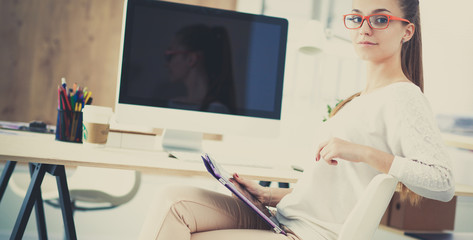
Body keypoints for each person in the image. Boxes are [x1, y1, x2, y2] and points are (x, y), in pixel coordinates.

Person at [140, 0, 454, 239]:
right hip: (282, 217)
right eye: (357, 17)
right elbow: (326, 196)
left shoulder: (404, 97)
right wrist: (265, 195)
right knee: (172, 199)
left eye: (381, 19)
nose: (365, 27)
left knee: (173, 208)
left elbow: (443, 183)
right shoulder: (358, 101)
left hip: (305, 234)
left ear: (407, 31)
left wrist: (363, 152)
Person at [164, 24, 237, 114]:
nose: (167, 64)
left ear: (191, 59)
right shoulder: (173, 103)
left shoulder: (216, 110)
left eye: (170, 55)